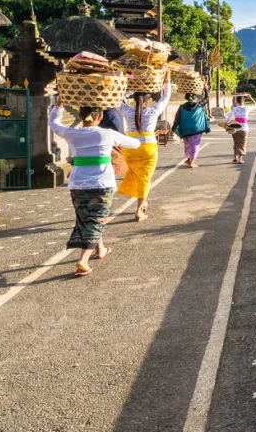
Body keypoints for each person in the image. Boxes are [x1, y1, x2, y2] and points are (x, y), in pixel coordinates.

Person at [49, 97, 140, 277]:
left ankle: (101, 249)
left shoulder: (71, 133)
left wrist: (59, 105)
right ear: (99, 116)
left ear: (81, 116)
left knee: (85, 218)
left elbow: (53, 123)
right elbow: (135, 144)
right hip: (102, 183)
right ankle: (83, 260)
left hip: (78, 183)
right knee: (97, 219)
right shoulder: (107, 134)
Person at [118, 70, 172, 221]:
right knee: (144, 178)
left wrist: (119, 78)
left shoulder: (127, 111)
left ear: (134, 100)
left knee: (138, 175)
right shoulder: (153, 111)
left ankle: (142, 202)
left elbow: (116, 99)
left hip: (130, 148)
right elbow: (166, 97)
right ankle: (139, 210)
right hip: (148, 148)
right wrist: (167, 79)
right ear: (147, 101)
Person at [172, 92, 210, 168]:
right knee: (195, 146)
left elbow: (177, 118)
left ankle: (189, 159)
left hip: (185, 130)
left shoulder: (181, 107)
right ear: (194, 98)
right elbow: (206, 99)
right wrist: (206, 89)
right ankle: (191, 162)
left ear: (186, 98)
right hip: (196, 130)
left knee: (187, 145)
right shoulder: (199, 106)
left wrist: (174, 127)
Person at [225, 92, 256, 164]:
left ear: (237, 101)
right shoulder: (247, 108)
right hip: (244, 128)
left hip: (235, 128)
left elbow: (228, 119)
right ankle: (240, 159)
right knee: (242, 144)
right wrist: (250, 97)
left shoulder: (235, 109)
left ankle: (235, 158)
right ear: (244, 101)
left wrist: (227, 124)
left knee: (236, 143)